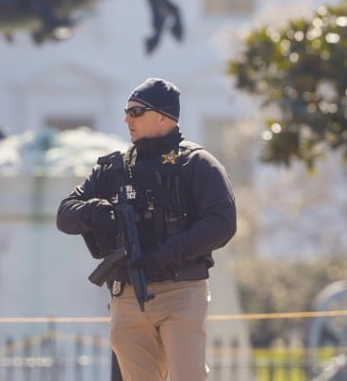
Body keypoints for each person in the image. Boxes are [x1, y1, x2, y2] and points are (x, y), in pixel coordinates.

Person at [56, 78, 237, 381]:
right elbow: (65, 214)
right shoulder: (116, 168)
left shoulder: (197, 163)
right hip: (127, 297)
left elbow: (222, 222)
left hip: (180, 293)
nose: (127, 119)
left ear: (164, 116)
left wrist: (164, 255)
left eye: (136, 111)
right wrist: (94, 211)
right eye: (126, 111)